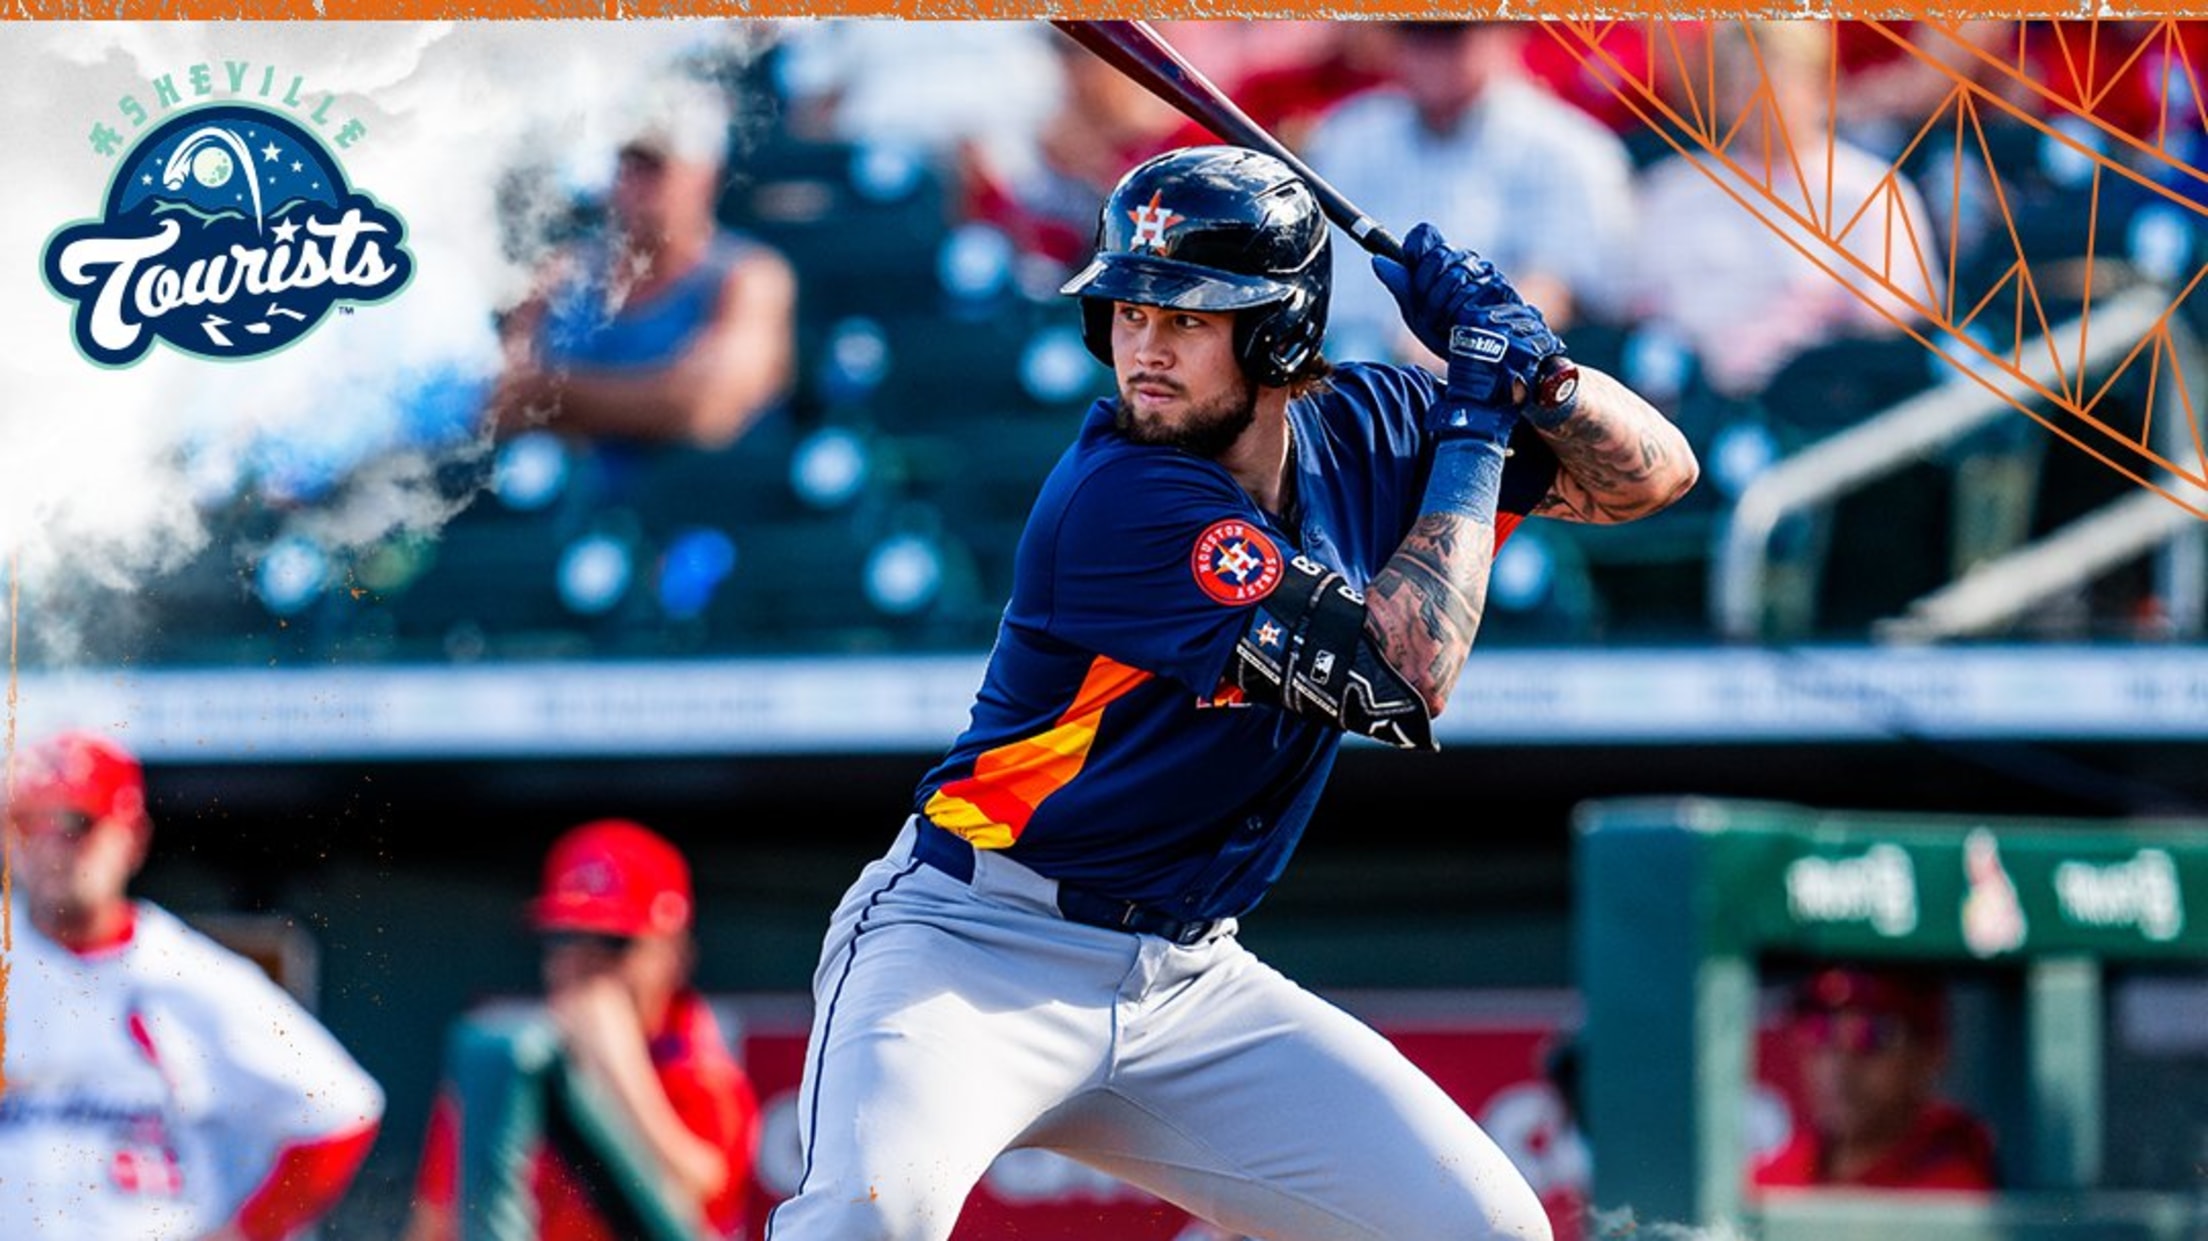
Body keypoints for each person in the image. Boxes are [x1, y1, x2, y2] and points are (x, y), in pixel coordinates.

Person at [765, 145, 1696, 1241]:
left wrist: (1544, 376)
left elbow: (1655, 475)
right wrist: (1480, 419)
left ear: (1279, 334)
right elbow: (1404, 676)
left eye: (1188, 318)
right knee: (868, 1221)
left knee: (1490, 1231)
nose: (1145, 350)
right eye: (1129, 312)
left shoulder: (1372, 426)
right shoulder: (1119, 496)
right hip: (974, 942)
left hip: (1188, 978)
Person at [0, 729, 384, 1240]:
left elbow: (341, 1109)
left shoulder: (188, 975)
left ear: (131, 838)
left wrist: (245, 1232)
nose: (52, 847)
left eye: (76, 824)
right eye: (30, 824)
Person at [403, 818, 761, 1241]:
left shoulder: (702, 1072)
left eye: (614, 943)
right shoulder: (510, 1059)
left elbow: (691, 1205)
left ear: (675, 955)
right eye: (565, 939)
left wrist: (615, 1064)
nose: (583, 964)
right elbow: (433, 1228)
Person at [1622, 21, 1944, 399]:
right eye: (1742, 86)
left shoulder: (1871, 192)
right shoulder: (1671, 193)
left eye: (1778, 83)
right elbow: (1644, 314)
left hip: (1832, 399)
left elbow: (1889, 324)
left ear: (1821, 86)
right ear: (1718, 97)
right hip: (1700, 401)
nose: (1761, 102)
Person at [487, 74, 797, 450]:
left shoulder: (750, 277)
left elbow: (704, 410)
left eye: (653, 168)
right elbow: (501, 399)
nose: (634, 185)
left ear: (705, 177)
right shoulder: (564, 269)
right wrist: (646, 397)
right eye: (627, 164)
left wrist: (554, 397)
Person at [1301, 20, 1639, 361]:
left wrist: (1465, 340)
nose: (1431, 53)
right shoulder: (1348, 134)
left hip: (1493, 371)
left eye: (1452, 34)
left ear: (1504, 33)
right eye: (1414, 33)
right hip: (1343, 362)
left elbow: (1562, 287)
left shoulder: (1570, 146)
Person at [1753, 964, 2000, 1191]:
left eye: (1871, 1034)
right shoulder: (1781, 1172)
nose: (1841, 1065)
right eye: (1820, 1029)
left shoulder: (1954, 1185)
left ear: (1932, 1052)